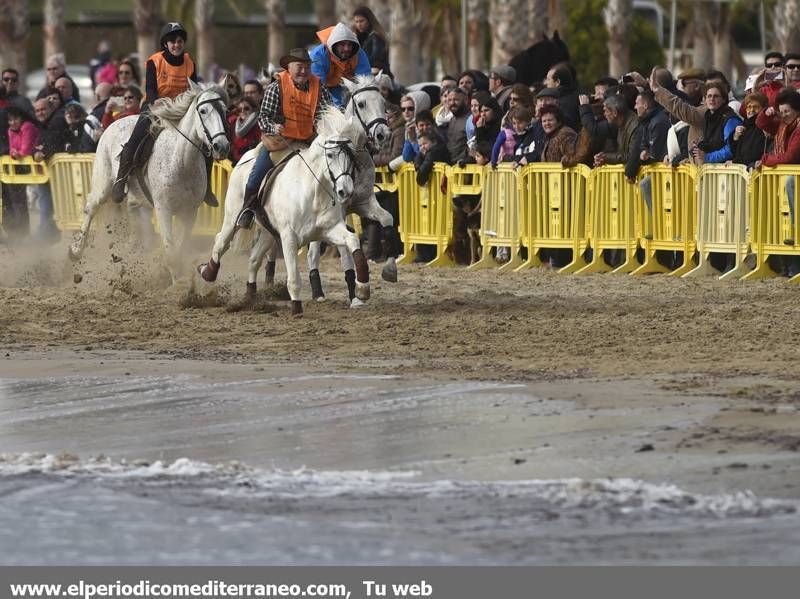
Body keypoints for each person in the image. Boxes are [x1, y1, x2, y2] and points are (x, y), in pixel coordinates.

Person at [110, 22, 216, 206]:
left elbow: (193, 89)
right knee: (136, 138)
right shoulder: (154, 61)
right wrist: (154, 100)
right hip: (155, 108)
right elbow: (150, 87)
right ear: (165, 44)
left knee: (205, 144)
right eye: (172, 41)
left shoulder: (190, 63)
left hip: (181, 110)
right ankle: (121, 179)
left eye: (180, 41)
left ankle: (206, 189)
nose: (176, 45)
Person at [237, 48, 333, 229]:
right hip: (279, 142)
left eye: (307, 67)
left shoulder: (320, 88)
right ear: (289, 67)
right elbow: (263, 116)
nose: (304, 71)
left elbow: (329, 113)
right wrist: (273, 127)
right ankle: (247, 210)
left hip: (309, 142)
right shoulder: (276, 87)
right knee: (259, 170)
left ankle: (332, 211)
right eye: (299, 67)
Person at [310, 22, 371, 108]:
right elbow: (318, 89)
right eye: (342, 44)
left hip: (346, 89)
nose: (347, 49)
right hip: (321, 90)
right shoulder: (318, 56)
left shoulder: (359, 54)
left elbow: (366, 82)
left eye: (349, 45)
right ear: (334, 45)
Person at [3, 106, 39, 241]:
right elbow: (13, 148)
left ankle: (26, 232)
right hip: (20, 167)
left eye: (15, 119)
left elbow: (26, 148)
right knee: (18, 201)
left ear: (22, 118)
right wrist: (14, 153)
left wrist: (17, 154)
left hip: (34, 166)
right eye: (10, 120)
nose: (13, 123)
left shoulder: (27, 126)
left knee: (28, 200)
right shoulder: (11, 130)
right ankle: (21, 232)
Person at [353, 6, 390, 76]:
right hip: (366, 74)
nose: (359, 25)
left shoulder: (376, 37)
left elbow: (376, 63)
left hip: (379, 76)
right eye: (356, 22)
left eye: (361, 21)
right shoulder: (362, 36)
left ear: (369, 20)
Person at [228, 96, 260, 164]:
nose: (242, 111)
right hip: (235, 162)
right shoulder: (233, 123)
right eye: (239, 109)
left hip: (251, 160)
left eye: (246, 108)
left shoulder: (259, 123)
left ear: (253, 109)